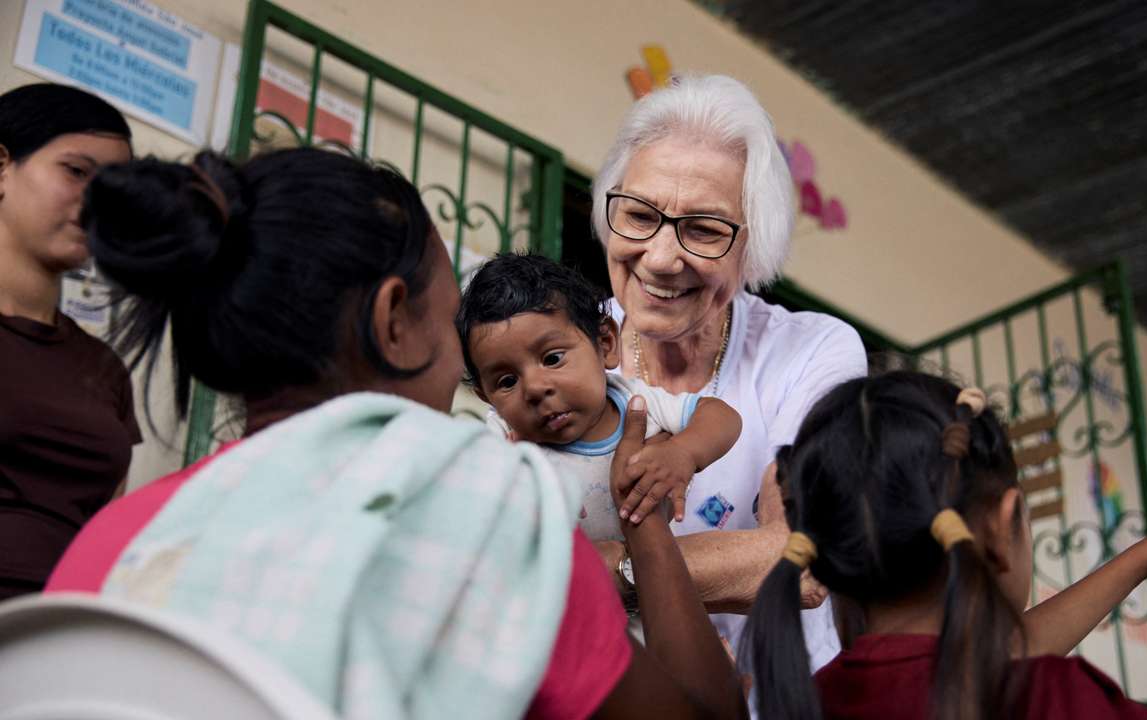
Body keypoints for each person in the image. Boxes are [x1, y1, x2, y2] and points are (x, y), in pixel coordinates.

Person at [45, 147, 747, 720]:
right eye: (449, 321)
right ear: (393, 322)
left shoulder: (115, 542)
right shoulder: (485, 519)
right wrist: (645, 523)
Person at [743, 370, 1147, 719]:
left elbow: (971, 657)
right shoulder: (1058, 698)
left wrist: (1145, 555)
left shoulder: (808, 700)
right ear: (1003, 522)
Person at [591, 73, 866, 667]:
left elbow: (801, 560)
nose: (661, 258)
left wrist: (610, 573)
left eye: (703, 229)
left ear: (752, 248)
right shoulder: (566, 348)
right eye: (638, 215)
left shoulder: (810, 352)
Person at [457, 252, 742, 554]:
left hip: (646, 574)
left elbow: (722, 417)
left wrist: (683, 452)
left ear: (605, 343)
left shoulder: (636, 403)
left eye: (552, 359)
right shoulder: (504, 437)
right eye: (507, 381)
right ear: (486, 396)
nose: (535, 389)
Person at [0, 83, 137, 600]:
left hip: (61, 628)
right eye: (77, 171)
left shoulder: (105, 369)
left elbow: (105, 534)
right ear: (2, 167)